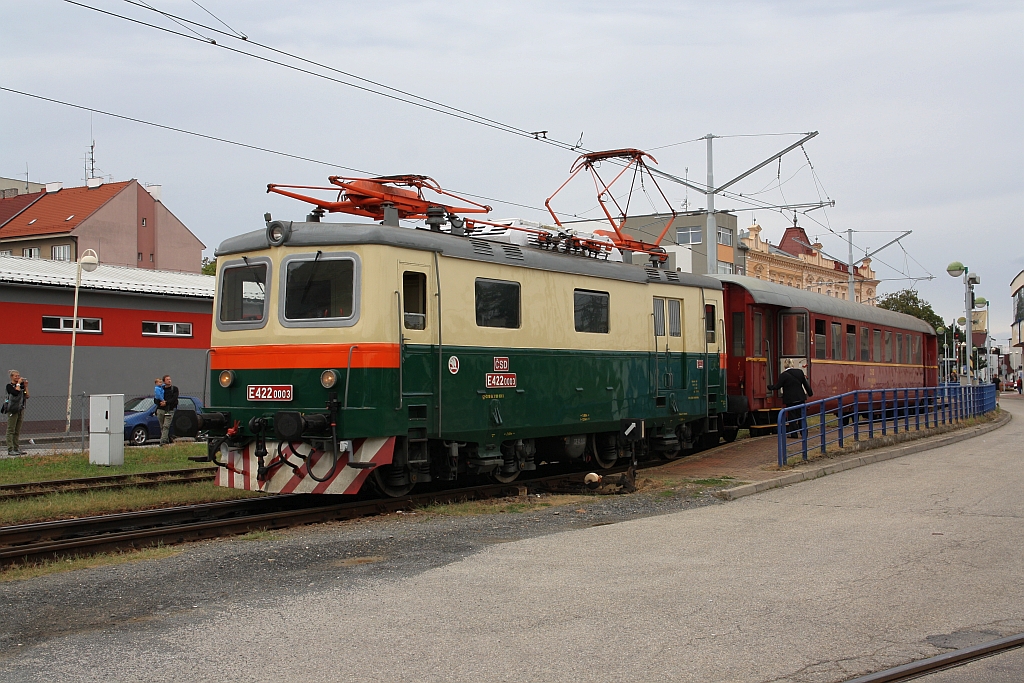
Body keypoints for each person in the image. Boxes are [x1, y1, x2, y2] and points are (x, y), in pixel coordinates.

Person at [768, 359, 813, 439]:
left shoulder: (783, 375)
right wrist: (810, 393)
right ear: (792, 364)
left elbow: (778, 386)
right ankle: (804, 433)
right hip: (800, 397)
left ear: (785, 365)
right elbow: (805, 384)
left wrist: (770, 387)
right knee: (801, 415)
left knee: (792, 416)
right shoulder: (799, 372)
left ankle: (794, 434)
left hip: (790, 399)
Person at [4, 370, 28, 455]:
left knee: (17, 430)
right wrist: (18, 384)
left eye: (18, 376)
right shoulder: (9, 386)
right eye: (16, 376)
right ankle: (10, 449)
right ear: (12, 377)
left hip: (20, 410)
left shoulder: (20, 386)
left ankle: (16, 448)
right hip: (12, 410)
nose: (18, 377)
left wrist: (25, 387)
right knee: (11, 430)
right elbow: (15, 392)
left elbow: (27, 395)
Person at [157, 374, 179, 446]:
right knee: (162, 426)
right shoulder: (160, 389)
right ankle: (166, 440)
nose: (169, 381)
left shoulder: (174, 389)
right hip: (161, 410)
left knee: (166, 426)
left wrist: (166, 403)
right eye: (167, 379)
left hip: (169, 410)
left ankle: (162, 441)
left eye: (170, 379)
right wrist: (160, 403)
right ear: (164, 381)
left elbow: (174, 399)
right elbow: (156, 398)